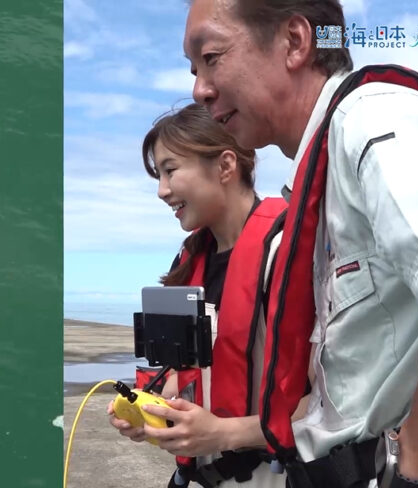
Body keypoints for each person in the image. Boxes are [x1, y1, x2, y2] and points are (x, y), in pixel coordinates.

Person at [182, 1, 418, 487]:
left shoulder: (368, 118)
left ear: (294, 41)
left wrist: (416, 473)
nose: (199, 89)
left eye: (210, 56)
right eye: (193, 69)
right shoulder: (317, 192)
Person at [107, 103, 303, 487]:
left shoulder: (286, 254)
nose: (162, 191)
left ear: (226, 166)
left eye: (170, 170)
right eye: (158, 175)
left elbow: (334, 406)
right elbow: (185, 380)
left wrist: (224, 434)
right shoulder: (190, 258)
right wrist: (154, 416)